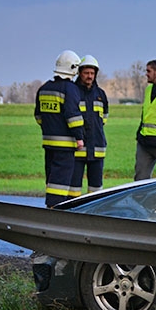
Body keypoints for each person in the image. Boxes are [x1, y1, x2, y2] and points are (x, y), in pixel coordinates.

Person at [34, 50, 85, 207]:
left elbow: (38, 116)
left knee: (51, 176)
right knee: (60, 180)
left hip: (49, 143)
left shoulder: (44, 88)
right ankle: (56, 209)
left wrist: (50, 128)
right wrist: (79, 137)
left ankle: (50, 205)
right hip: (65, 145)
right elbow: (73, 116)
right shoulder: (70, 89)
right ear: (73, 68)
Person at [70, 54, 109, 196]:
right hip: (77, 149)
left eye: (92, 73)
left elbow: (104, 118)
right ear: (79, 73)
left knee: (96, 190)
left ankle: (94, 215)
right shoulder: (72, 92)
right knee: (74, 188)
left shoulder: (101, 94)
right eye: (86, 73)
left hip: (97, 148)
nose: (89, 76)